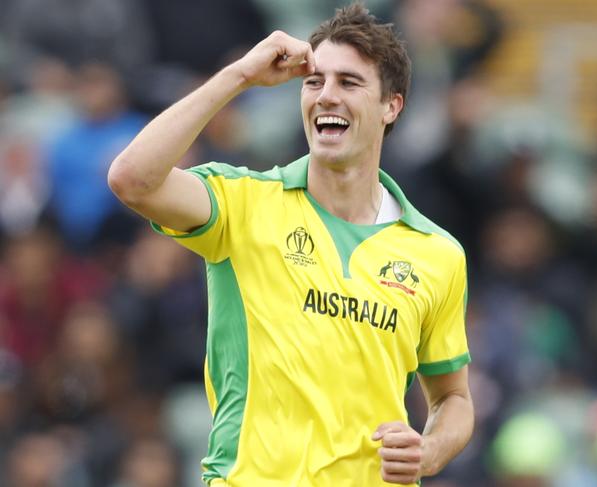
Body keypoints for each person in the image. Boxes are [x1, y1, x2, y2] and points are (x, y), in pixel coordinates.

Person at [108, 3, 473, 486]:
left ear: (392, 106)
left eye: (349, 83)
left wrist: (428, 451)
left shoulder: (437, 253)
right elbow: (133, 179)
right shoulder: (245, 203)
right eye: (314, 81)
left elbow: (453, 398)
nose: (326, 96)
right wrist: (238, 76)